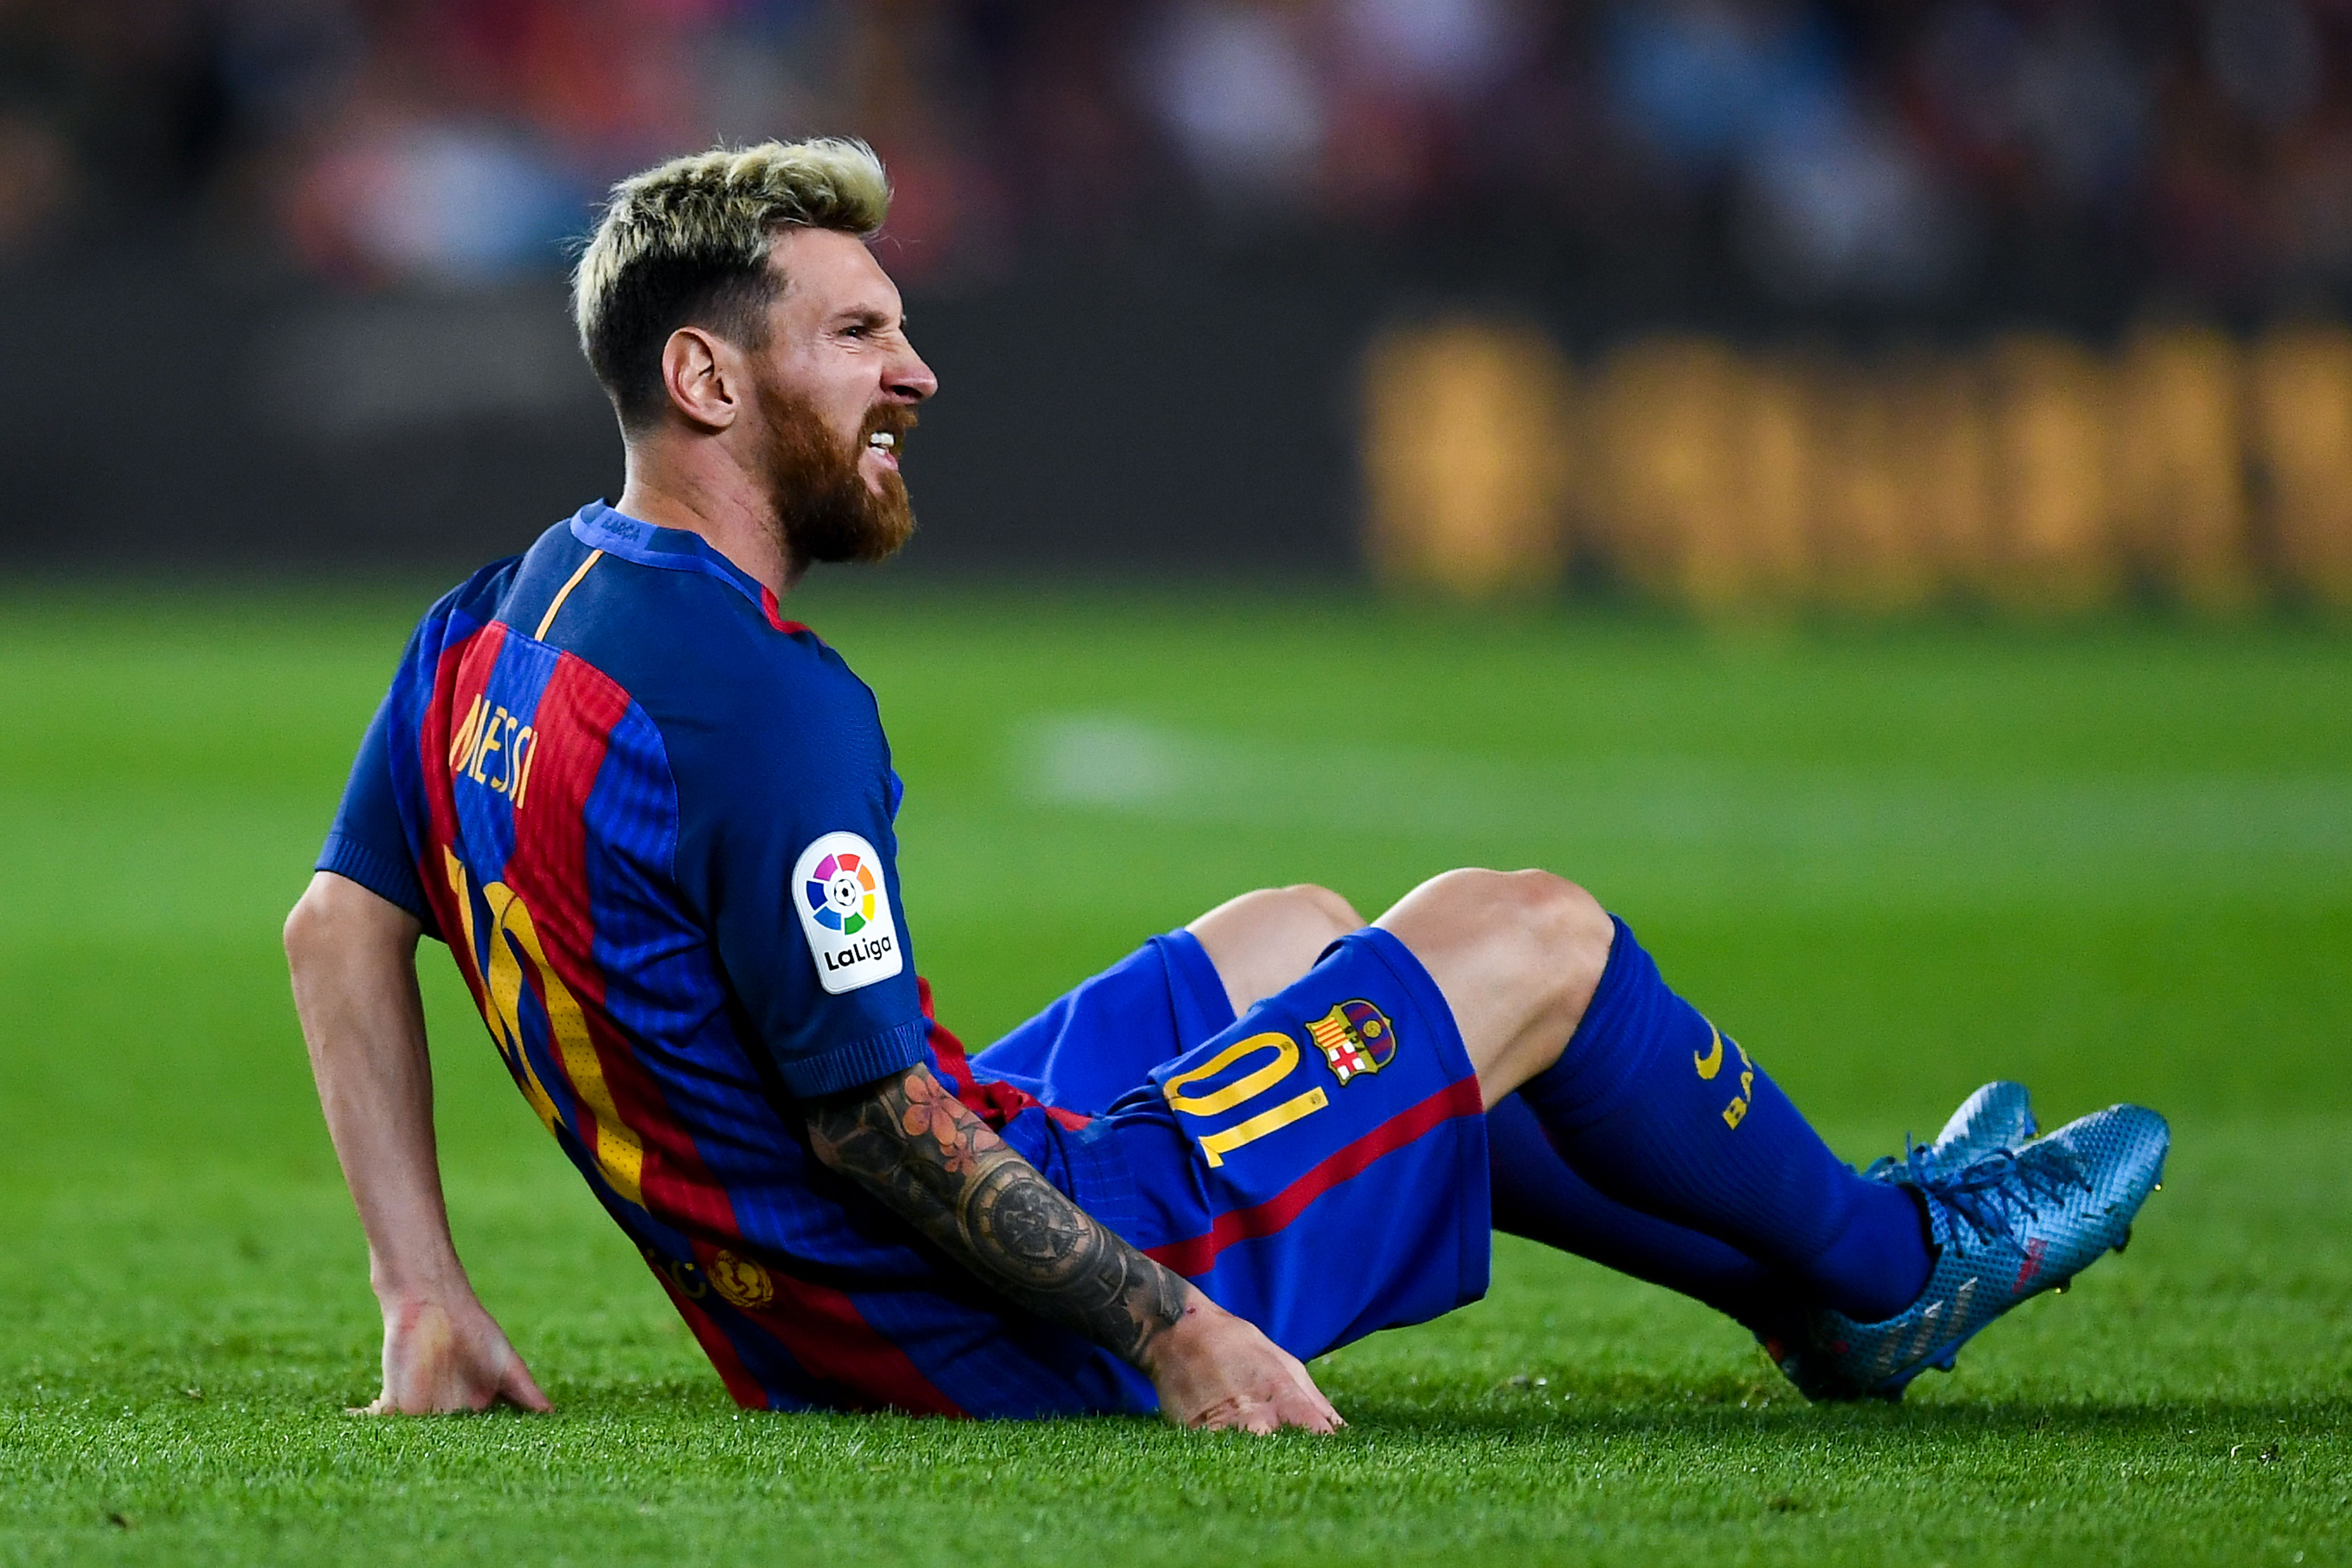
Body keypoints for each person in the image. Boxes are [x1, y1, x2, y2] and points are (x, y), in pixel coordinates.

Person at [283, 139, 2167, 1431]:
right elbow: (879, 1132)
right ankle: (1894, 1264)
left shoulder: (503, 614)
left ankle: (1790, 1281)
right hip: (968, 1331)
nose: (916, 371)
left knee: (1297, 936)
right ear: (703, 375)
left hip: (808, 1301)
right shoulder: (765, 710)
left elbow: (337, 924)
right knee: (1532, 937)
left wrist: (420, 1289)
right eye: (858, 333)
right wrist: (1174, 1329)